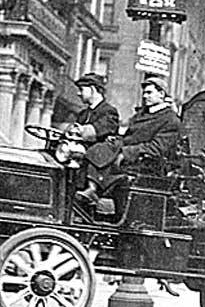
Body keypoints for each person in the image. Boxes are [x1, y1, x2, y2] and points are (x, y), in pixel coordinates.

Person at [76, 76, 181, 219]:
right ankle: (89, 189)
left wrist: (125, 153)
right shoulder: (142, 114)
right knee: (96, 149)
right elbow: (129, 137)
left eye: (149, 93)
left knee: (104, 153)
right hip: (131, 153)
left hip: (147, 164)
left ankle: (93, 190)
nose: (145, 96)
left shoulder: (170, 120)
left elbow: (156, 148)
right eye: (144, 93)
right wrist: (117, 140)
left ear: (161, 94)